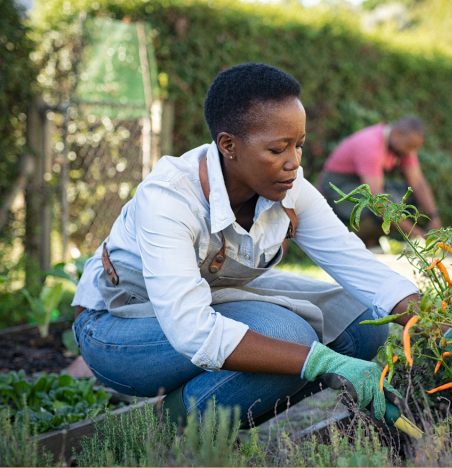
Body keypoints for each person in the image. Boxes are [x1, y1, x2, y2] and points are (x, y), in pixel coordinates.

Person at [71, 63, 422, 429]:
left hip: (215, 299)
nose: (294, 162)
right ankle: (165, 426)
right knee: (287, 338)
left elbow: (358, 267)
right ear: (229, 145)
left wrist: (443, 326)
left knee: (363, 322)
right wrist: (321, 362)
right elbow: (191, 329)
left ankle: (205, 401)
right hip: (118, 328)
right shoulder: (170, 199)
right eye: (277, 149)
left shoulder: (289, 187)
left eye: (299, 145)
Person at [318, 117, 441, 247]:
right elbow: (378, 200)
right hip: (336, 187)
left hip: (361, 184)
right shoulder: (371, 145)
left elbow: (418, 183)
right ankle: (347, 242)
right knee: (383, 205)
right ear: (397, 134)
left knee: (408, 197)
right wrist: (415, 233)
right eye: (410, 146)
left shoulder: (402, 146)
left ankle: (371, 240)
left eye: (415, 147)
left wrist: (434, 216)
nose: (411, 151)